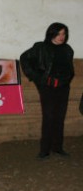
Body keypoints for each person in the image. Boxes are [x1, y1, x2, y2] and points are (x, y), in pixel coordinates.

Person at [20, 22, 74, 159]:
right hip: (47, 87)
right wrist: (37, 78)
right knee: (49, 116)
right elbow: (24, 59)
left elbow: (69, 68)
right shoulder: (40, 47)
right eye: (58, 33)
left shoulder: (68, 49)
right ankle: (44, 150)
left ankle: (58, 147)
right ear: (51, 34)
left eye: (63, 34)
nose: (61, 37)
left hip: (63, 87)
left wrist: (67, 79)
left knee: (60, 117)